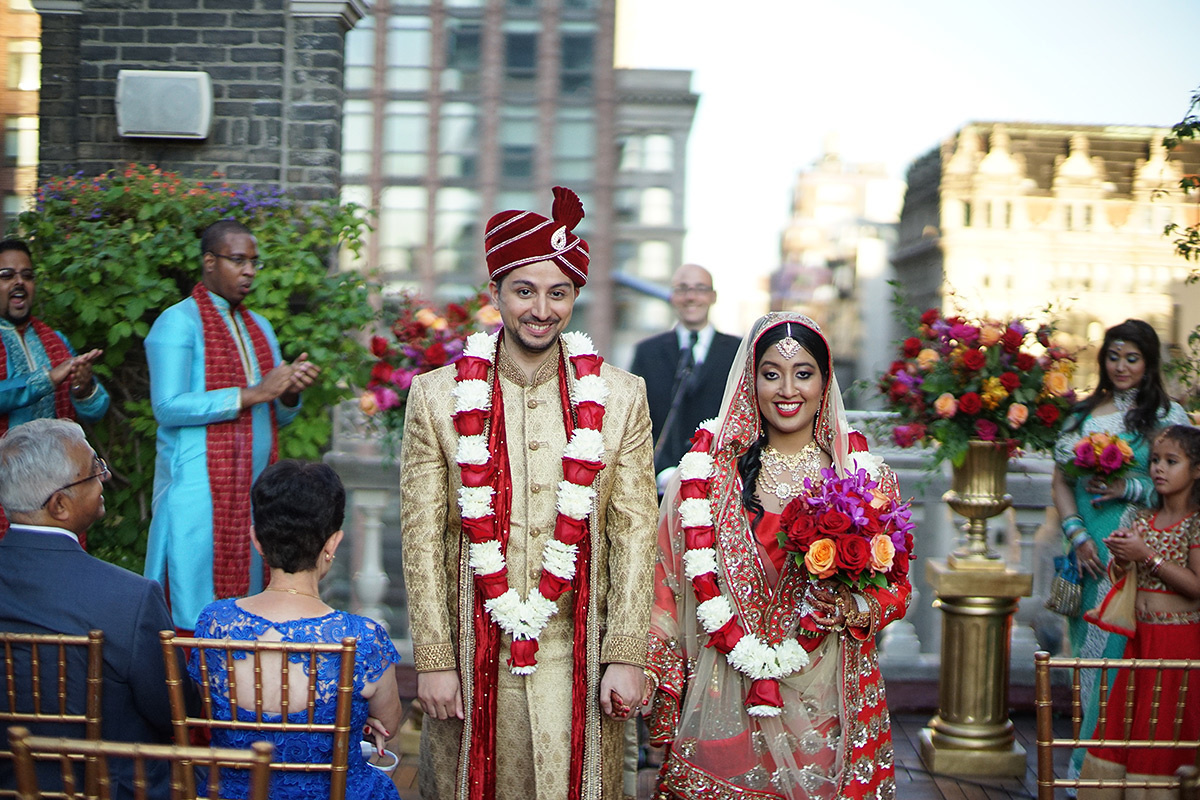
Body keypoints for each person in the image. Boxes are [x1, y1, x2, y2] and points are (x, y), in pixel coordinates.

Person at [400, 186, 659, 799]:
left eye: (558, 292)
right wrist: (434, 659)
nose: (541, 309)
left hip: (581, 649)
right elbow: (421, 534)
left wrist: (625, 651)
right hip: (470, 648)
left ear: (576, 297)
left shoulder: (621, 396)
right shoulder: (437, 396)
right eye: (525, 291)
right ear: (496, 294)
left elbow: (634, 530)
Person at [644, 312, 912, 800]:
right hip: (724, 689)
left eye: (803, 373)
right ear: (752, 380)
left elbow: (898, 589)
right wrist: (651, 673)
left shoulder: (863, 483)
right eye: (772, 373)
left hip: (828, 692)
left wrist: (855, 607)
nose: (787, 389)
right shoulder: (703, 481)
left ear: (825, 381)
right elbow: (664, 584)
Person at [144, 219, 320, 633]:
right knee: (189, 609)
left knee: (248, 615)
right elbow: (167, 407)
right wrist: (253, 393)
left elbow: (278, 415)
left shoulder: (259, 326)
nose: (249, 271)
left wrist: (289, 392)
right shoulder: (178, 322)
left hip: (252, 493)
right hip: (196, 493)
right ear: (209, 262)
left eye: (254, 262)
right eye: (238, 260)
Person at [190, 460, 402, 800]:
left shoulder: (214, 624)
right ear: (332, 543)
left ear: (257, 540)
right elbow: (389, 724)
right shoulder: (362, 638)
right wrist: (354, 720)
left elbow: (211, 706)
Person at [0, 418, 179, 799]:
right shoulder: (128, 598)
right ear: (59, 505)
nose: (106, 476)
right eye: (94, 470)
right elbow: (172, 712)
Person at [1051, 319, 1189, 782]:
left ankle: (1113, 772)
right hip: (1087, 555)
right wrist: (1077, 534)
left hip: (1137, 552)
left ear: (1148, 362)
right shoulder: (1082, 415)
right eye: (1114, 357)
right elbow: (1062, 481)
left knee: (1122, 659)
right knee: (1086, 657)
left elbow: (1181, 492)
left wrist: (1127, 486)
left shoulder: (1166, 418)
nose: (1121, 366)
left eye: (1132, 358)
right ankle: (1083, 768)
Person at [1078, 425, 1200, 797]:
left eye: (1171, 462)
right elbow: (1126, 577)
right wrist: (1122, 558)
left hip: (1178, 643)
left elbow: (1197, 587)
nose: (1159, 469)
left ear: (1197, 470)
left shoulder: (1196, 522)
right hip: (1142, 639)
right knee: (1128, 728)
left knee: (1163, 732)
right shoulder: (1143, 519)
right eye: (1156, 461)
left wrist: (1147, 554)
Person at [0, 238, 110, 532]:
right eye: (7, 276)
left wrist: (83, 390)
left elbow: (96, 411)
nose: (19, 283)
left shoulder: (55, 340)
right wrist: (46, 380)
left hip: (57, 491)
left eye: (27, 275)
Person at [630, 263, 740, 492]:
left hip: (721, 486)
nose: (691, 296)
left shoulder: (739, 352)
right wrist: (661, 473)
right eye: (682, 289)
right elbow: (634, 421)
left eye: (700, 288)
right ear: (672, 296)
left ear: (713, 296)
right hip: (659, 487)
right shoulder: (647, 352)